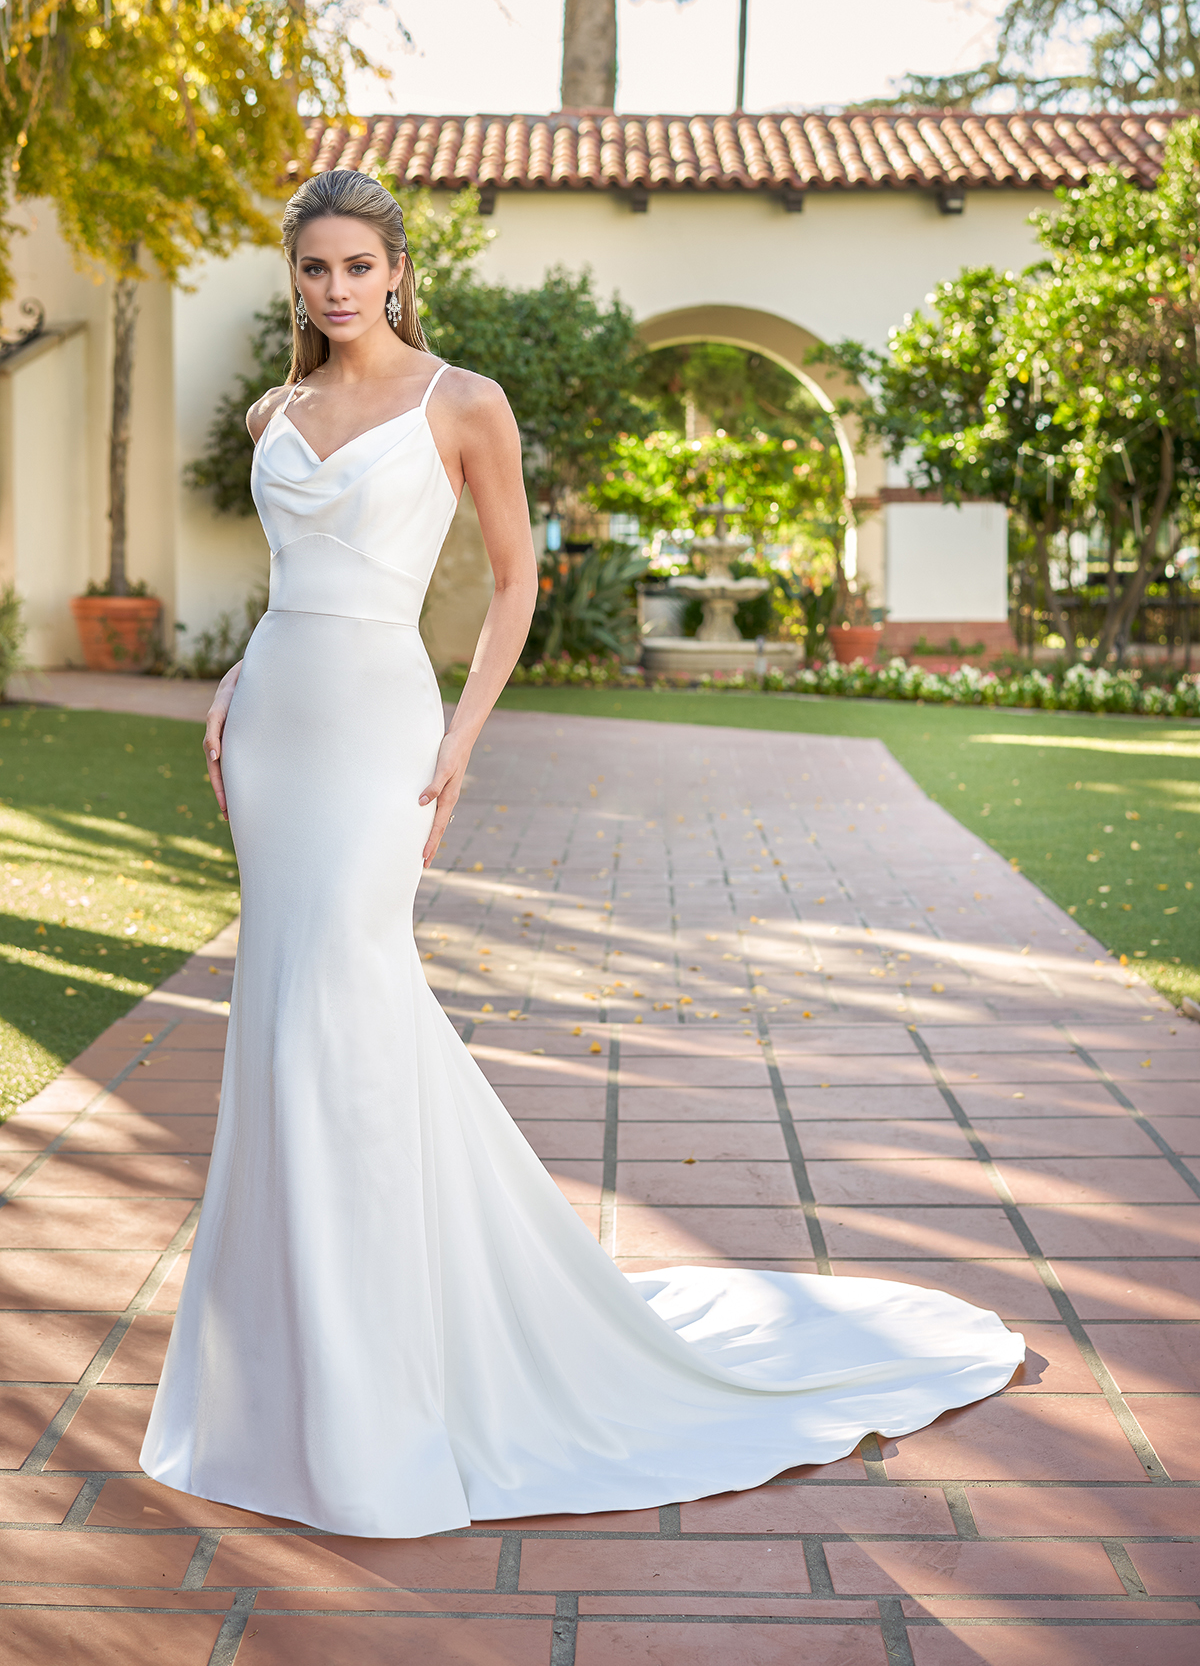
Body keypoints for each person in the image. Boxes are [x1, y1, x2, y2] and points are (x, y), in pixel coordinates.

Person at [140, 168, 1024, 1539]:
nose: (334, 290)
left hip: (382, 722)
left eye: (357, 267)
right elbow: (282, 587)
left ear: (397, 271)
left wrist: (464, 738)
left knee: (344, 1004)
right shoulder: (274, 412)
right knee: (279, 1015)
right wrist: (227, 688)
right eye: (312, 269)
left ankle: (389, 1371)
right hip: (273, 723)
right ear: (296, 278)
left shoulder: (461, 403)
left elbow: (512, 579)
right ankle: (277, 1379)